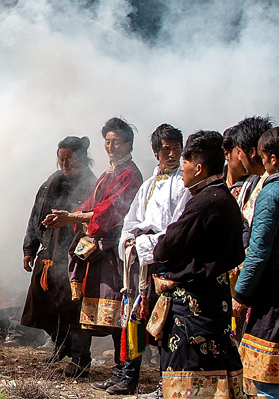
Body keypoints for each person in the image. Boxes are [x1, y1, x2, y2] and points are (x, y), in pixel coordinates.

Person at [150, 131, 245, 399]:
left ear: (199, 168)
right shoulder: (225, 199)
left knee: (191, 382)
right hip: (216, 305)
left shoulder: (203, 203)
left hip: (194, 313)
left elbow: (164, 248)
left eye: (185, 162)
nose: (182, 169)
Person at [51, 118, 143, 394]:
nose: (111, 147)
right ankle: (119, 371)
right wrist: (71, 215)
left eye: (117, 142)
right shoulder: (108, 174)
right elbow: (91, 205)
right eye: (108, 141)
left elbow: (109, 211)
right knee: (113, 315)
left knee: (124, 313)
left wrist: (72, 217)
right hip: (105, 254)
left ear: (129, 144)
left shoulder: (130, 176)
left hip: (120, 254)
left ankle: (129, 373)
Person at [119, 124, 191, 393]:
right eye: (166, 149)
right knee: (137, 317)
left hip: (165, 259)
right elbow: (131, 220)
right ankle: (129, 375)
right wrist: (129, 242)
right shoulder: (148, 186)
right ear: (155, 153)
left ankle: (166, 382)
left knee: (165, 322)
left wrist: (150, 244)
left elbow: (177, 224)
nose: (172, 154)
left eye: (176, 148)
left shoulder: (184, 184)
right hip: (142, 262)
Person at [21, 136, 98, 377]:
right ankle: (62, 343)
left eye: (69, 159)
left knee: (74, 310)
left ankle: (80, 359)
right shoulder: (51, 183)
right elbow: (36, 216)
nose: (64, 164)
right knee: (40, 303)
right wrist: (29, 248)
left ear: (82, 158)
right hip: (48, 254)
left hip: (75, 257)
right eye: (61, 159)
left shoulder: (92, 186)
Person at [234, 127, 279, 399]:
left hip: (272, 296)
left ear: (272, 159)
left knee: (267, 381)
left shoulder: (271, 193)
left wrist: (241, 294)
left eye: (262, 158)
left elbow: (259, 250)